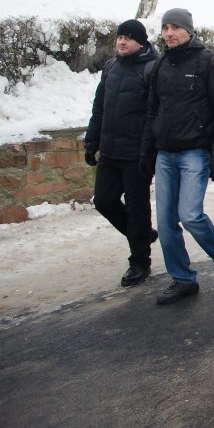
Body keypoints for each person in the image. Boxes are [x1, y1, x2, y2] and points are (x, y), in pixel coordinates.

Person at [141, 8, 214, 305]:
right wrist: (147, 152)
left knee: (190, 215)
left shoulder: (207, 62)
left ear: (189, 30)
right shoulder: (160, 65)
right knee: (166, 221)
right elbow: (152, 111)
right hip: (165, 154)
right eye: (165, 28)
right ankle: (182, 278)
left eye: (175, 27)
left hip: (195, 152)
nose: (169, 33)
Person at [84, 19, 159, 287]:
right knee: (104, 201)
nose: (122, 42)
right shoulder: (111, 67)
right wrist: (91, 142)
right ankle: (143, 234)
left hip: (136, 153)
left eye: (128, 37)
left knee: (137, 207)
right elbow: (99, 107)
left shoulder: (152, 68)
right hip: (110, 151)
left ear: (141, 41)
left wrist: (148, 151)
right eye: (119, 37)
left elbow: (155, 114)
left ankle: (139, 262)